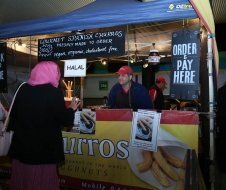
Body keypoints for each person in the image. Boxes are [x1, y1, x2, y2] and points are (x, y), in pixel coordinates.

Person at [7, 61, 80, 190]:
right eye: (57, 72)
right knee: (42, 183)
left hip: (22, 149)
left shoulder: (22, 89)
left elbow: (13, 117)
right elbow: (65, 120)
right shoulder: (54, 92)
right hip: (43, 152)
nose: (59, 75)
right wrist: (72, 108)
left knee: (22, 182)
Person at [216, 82, 226, 172]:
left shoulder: (220, 90)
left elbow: (218, 105)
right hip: (222, 119)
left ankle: (222, 166)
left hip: (222, 120)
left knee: (222, 142)